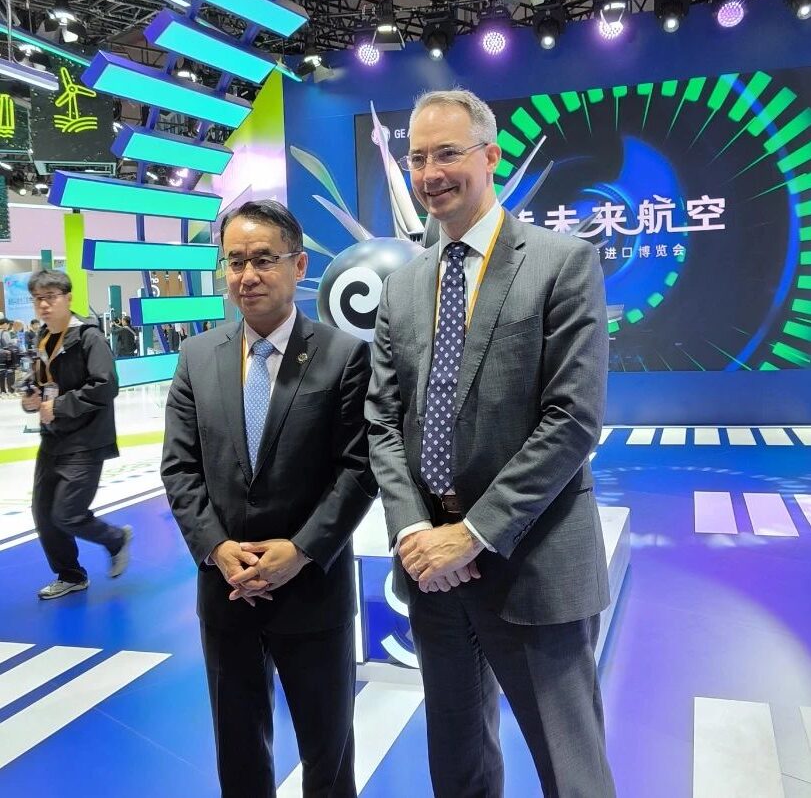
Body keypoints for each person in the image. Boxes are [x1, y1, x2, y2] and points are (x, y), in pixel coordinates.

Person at [365, 89, 616, 798]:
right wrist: (415, 530)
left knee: (572, 773)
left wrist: (472, 534)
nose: (430, 173)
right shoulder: (403, 286)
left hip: (532, 562)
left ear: (490, 156)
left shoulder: (562, 263)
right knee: (459, 765)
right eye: (417, 158)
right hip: (432, 573)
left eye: (447, 153)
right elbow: (382, 419)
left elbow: (572, 418)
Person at [161, 200, 376, 798]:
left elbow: (358, 469)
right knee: (238, 752)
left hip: (312, 592)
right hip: (226, 590)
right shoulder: (197, 357)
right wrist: (216, 548)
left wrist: (301, 550)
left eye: (263, 259)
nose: (247, 275)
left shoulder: (343, 355)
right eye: (235, 261)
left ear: (298, 265)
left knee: (328, 752)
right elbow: (180, 467)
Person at [20, 270, 132, 600]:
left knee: (67, 514)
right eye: (38, 299)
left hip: (86, 440)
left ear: (68, 298)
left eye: (51, 297)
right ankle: (70, 575)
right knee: (44, 515)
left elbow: (106, 385)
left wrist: (58, 406)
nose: (44, 305)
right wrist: (32, 398)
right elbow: (42, 382)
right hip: (52, 440)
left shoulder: (88, 337)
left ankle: (116, 539)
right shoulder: (43, 338)